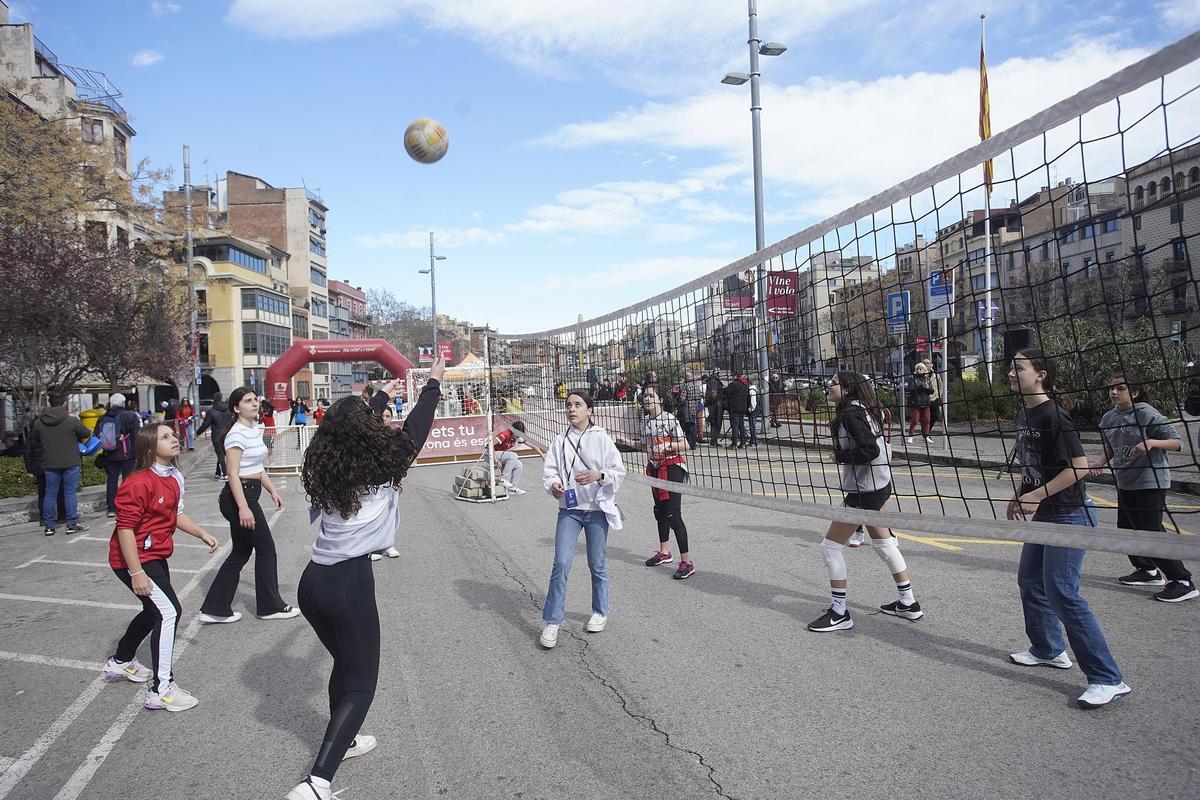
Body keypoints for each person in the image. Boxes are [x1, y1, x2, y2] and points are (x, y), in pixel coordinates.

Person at [285, 358, 443, 800]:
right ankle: (317, 783)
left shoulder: (331, 462)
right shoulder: (383, 460)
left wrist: (380, 397)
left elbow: (350, 426)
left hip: (313, 583)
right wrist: (432, 384)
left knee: (346, 666)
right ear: (366, 430)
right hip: (348, 585)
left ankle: (346, 740)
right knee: (361, 682)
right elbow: (418, 425)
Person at [1005, 348, 1129, 710]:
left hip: (1071, 515)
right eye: (1011, 368)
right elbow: (1033, 463)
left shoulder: (1053, 416)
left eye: (1019, 368)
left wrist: (1037, 495)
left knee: (1063, 593)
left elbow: (1077, 467)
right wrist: (1021, 494)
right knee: (1030, 581)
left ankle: (1108, 678)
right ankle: (1048, 649)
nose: (1012, 373)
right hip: (1047, 512)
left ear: (1040, 374)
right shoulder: (1025, 411)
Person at [104, 422, 218, 712]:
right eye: (165, 437)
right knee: (169, 612)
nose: (174, 439)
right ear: (150, 446)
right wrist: (136, 572)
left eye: (172, 434)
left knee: (154, 610)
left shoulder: (175, 475)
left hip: (154, 556)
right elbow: (125, 529)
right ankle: (162, 690)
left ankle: (121, 660)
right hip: (133, 560)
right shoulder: (138, 482)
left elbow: (176, 515)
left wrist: (201, 533)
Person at [807, 371, 922, 632]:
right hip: (879, 484)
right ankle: (908, 602)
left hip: (866, 490)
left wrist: (841, 456)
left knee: (830, 547)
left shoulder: (850, 413)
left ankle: (840, 612)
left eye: (834, 383)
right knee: (883, 543)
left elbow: (869, 450)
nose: (829, 386)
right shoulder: (867, 409)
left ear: (847, 389)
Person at [1090, 373, 1195, 602]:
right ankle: (1147, 570)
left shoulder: (1146, 413)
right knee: (1127, 527)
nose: (1114, 392)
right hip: (1126, 481)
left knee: (1151, 530)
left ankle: (1182, 580)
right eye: (1111, 389)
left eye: (1120, 388)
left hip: (1151, 481)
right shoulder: (1109, 418)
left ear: (1134, 392)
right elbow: (1110, 447)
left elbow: (1178, 442)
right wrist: (1099, 462)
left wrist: (1152, 442)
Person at [198, 388, 298, 624]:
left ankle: (214, 608)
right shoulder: (235, 435)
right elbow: (232, 474)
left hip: (248, 492)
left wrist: (272, 490)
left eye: (255, 400)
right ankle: (270, 606)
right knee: (266, 549)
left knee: (241, 552)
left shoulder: (253, 430)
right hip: (238, 497)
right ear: (235, 407)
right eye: (247, 401)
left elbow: (256, 467)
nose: (254, 404)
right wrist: (243, 508)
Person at [539, 389, 626, 649]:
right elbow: (550, 471)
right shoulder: (559, 441)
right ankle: (553, 621)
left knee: (596, 563)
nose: (572, 409)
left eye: (578, 405)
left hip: (596, 510)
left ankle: (600, 611)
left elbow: (617, 471)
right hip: (570, 510)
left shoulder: (602, 438)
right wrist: (554, 485)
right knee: (561, 562)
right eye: (568, 405)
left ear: (589, 410)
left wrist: (598, 475)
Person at [625, 385, 694, 580]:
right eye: (645, 396)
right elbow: (645, 445)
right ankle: (665, 552)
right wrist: (627, 442)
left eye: (650, 396)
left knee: (674, 515)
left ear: (660, 399)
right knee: (660, 512)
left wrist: (669, 444)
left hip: (672, 468)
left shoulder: (670, 419)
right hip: (655, 468)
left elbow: (687, 445)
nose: (646, 399)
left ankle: (687, 563)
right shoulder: (647, 421)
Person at [29, 392, 93, 536]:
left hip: (50, 461)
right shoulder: (71, 420)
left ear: (49, 403)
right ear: (64, 402)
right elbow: (85, 433)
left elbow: (35, 440)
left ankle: (49, 525)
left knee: (50, 493)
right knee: (69, 492)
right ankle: (71, 523)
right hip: (70, 460)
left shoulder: (39, 423)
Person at [94, 393, 141, 519]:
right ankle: (128, 505)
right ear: (123, 403)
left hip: (109, 453)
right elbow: (136, 436)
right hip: (127, 453)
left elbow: (96, 434)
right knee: (128, 480)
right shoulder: (130, 416)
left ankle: (111, 508)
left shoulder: (103, 417)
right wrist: (138, 453)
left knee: (111, 480)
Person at [23, 410, 66, 528]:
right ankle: (62, 515)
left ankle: (44, 518)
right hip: (52, 464)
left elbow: (27, 453)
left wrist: (30, 469)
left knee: (43, 493)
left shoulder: (31, 435)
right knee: (58, 491)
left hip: (38, 467)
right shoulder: (49, 432)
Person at [493, 420, 544, 495]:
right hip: (491, 454)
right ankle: (503, 478)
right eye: (518, 433)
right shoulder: (505, 434)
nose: (519, 435)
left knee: (518, 465)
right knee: (513, 456)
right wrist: (495, 460)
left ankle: (512, 488)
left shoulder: (518, 437)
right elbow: (490, 444)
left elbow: (533, 446)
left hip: (501, 455)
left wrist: (543, 457)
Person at [195, 392, 231, 481]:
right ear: (222, 398)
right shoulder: (228, 409)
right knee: (222, 454)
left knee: (220, 454)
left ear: (213, 399)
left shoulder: (211, 411)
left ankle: (224, 474)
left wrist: (197, 433)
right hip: (228, 434)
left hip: (217, 436)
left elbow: (205, 424)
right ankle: (218, 473)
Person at [905, 362, 933, 444]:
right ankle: (910, 436)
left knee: (927, 420)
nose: (919, 370)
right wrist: (920, 387)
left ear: (924, 370)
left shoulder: (927, 379)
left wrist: (927, 388)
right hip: (916, 402)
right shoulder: (912, 378)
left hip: (925, 402)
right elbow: (910, 389)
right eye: (917, 369)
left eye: (921, 369)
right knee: (915, 420)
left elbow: (931, 391)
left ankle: (926, 436)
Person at [725, 372, 750, 449]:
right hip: (743, 407)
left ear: (735, 376)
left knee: (735, 425)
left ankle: (734, 443)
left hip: (735, 407)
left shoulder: (734, 384)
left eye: (732, 376)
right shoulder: (745, 384)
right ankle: (743, 443)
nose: (732, 377)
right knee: (741, 425)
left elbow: (726, 392)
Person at [679, 371, 705, 448]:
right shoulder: (697, 385)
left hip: (688, 408)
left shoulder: (687, 386)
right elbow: (700, 396)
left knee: (688, 427)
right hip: (696, 407)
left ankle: (689, 443)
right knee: (694, 426)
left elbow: (682, 398)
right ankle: (694, 443)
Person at [922, 358, 943, 435]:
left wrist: (939, 395)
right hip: (924, 399)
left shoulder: (936, 375)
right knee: (925, 418)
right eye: (924, 363)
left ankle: (927, 431)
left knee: (935, 415)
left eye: (928, 363)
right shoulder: (920, 374)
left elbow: (940, 385)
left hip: (934, 398)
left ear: (931, 365)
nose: (926, 364)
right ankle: (926, 434)